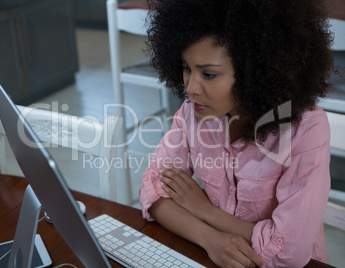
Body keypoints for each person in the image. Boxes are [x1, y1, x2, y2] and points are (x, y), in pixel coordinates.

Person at [139, 0, 334, 267]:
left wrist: (203, 210)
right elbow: (154, 193)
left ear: (255, 73)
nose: (191, 88)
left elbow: (289, 252)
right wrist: (210, 239)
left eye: (208, 74)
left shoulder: (307, 128)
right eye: (186, 68)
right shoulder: (192, 113)